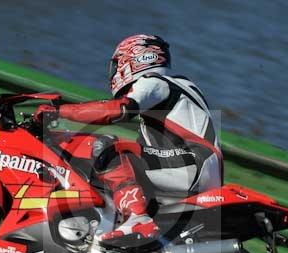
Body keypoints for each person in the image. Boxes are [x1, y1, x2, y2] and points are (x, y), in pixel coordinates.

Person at [34, 34, 222, 241]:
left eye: (117, 65)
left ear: (136, 59)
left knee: (105, 147)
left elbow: (119, 109)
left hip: (189, 166)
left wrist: (59, 111)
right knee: (122, 164)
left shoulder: (153, 82)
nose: (114, 72)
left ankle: (137, 218)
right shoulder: (180, 89)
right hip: (199, 169)